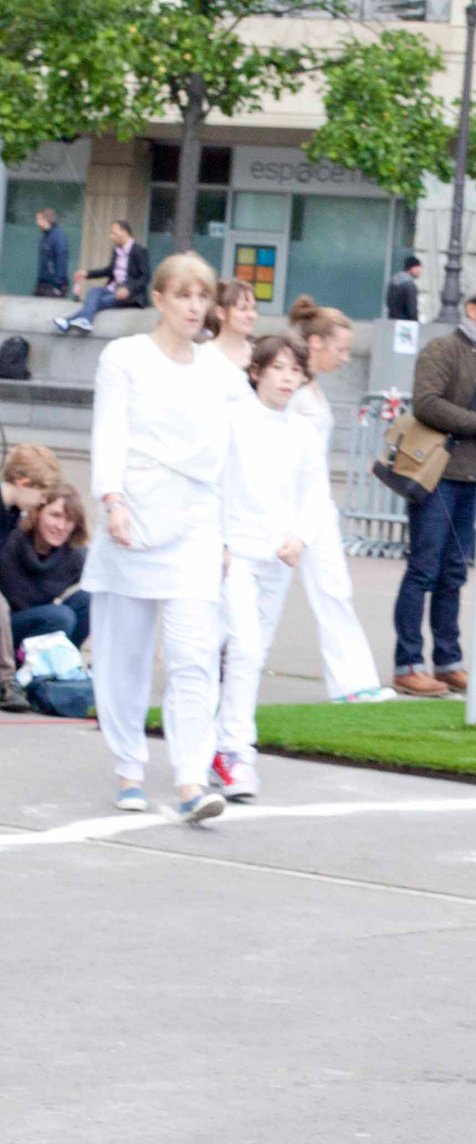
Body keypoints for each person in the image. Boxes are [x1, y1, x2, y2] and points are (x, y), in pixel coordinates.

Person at [84, 251, 231, 822]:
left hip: (196, 518)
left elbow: (227, 455)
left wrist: (224, 536)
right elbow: (109, 431)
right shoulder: (125, 357)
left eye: (203, 296)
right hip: (135, 514)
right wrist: (112, 500)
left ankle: (191, 778)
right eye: (184, 295)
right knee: (124, 656)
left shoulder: (216, 368)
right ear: (160, 298)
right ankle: (129, 766)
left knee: (195, 653)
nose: (195, 307)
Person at [212, 334, 321, 801]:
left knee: (251, 654)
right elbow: (214, 481)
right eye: (278, 368)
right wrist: (218, 541)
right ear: (256, 372)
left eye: (295, 371)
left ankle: (220, 741)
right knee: (242, 647)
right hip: (235, 553)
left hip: (277, 559)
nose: (287, 379)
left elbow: (315, 494)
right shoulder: (233, 419)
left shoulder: (303, 432)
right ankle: (235, 751)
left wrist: (301, 537)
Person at [285, 296, 393, 704]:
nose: (346, 358)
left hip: (314, 505)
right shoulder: (292, 386)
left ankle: (353, 684)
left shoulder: (310, 387)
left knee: (334, 590)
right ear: (316, 343)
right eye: (341, 349)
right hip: (287, 504)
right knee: (263, 600)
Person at [395, 291, 476, 697]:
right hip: (437, 474)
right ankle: (408, 664)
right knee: (424, 568)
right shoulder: (443, 348)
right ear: (472, 310)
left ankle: (448, 661)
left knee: (453, 571)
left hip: (470, 475)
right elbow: (426, 403)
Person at [0, 443, 62, 710]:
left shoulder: (11, 513)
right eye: (41, 494)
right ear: (22, 482)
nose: (42, 501)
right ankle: (5, 682)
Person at [0, 483, 89, 647]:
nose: (61, 526)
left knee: (89, 600)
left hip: (44, 620)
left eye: (69, 520)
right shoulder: (10, 539)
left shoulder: (75, 555)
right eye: (55, 515)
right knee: (60, 616)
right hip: (6, 627)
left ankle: (61, 660)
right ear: (37, 513)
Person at [54, 221, 151, 334]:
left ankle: (68, 321)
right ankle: (84, 320)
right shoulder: (116, 250)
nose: (111, 236)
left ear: (124, 232)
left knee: (99, 302)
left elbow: (146, 277)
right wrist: (87, 274)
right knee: (93, 291)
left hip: (130, 295)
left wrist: (129, 289)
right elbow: (109, 271)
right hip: (113, 289)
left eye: (114, 233)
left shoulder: (139, 251)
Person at [205, 278, 258, 372]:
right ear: (221, 313)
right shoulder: (204, 355)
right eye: (242, 309)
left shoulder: (259, 354)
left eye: (253, 308)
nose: (251, 315)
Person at [34, 209, 70, 298]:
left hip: (53, 285)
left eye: (39, 219)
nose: (37, 222)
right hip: (42, 283)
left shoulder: (58, 237)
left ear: (46, 220)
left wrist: (57, 285)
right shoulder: (44, 237)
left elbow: (61, 260)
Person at [385, 256, 422, 321]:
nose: (419, 272)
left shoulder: (393, 281)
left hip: (392, 321)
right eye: (418, 269)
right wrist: (415, 321)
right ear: (412, 268)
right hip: (405, 322)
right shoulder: (409, 285)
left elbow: (388, 303)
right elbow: (412, 310)